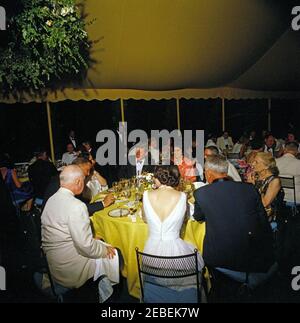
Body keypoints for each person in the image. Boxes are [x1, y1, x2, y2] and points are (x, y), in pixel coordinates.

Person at [41, 165, 119, 300]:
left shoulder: (51, 200)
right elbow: (85, 247)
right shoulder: (76, 206)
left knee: (99, 242)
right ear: (78, 182)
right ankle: (107, 295)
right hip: (70, 270)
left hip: (54, 264)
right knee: (113, 254)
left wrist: (94, 240)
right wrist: (105, 249)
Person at [193, 156, 275, 278]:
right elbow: (263, 221)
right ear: (225, 172)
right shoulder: (249, 189)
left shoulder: (201, 193)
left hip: (220, 258)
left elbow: (198, 217)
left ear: (208, 173)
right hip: (255, 255)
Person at [143, 165, 204, 298]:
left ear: (159, 177)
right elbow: (185, 219)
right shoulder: (182, 196)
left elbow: (144, 219)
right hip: (177, 257)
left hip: (150, 255)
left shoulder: (146, 194)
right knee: (195, 253)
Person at [43, 157, 114, 215]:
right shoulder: (63, 182)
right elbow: (78, 209)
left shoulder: (68, 177)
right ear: (79, 168)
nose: (88, 173)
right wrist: (103, 203)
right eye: (87, 170)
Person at [249, 152, 284, 221]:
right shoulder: (254, 177)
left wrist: (252, 186)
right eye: (253, 162)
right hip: (254, 212)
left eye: (256, 162)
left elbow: (264, 203)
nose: (252, 164)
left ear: (266, 166)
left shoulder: (274, 181)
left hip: (268, 216)